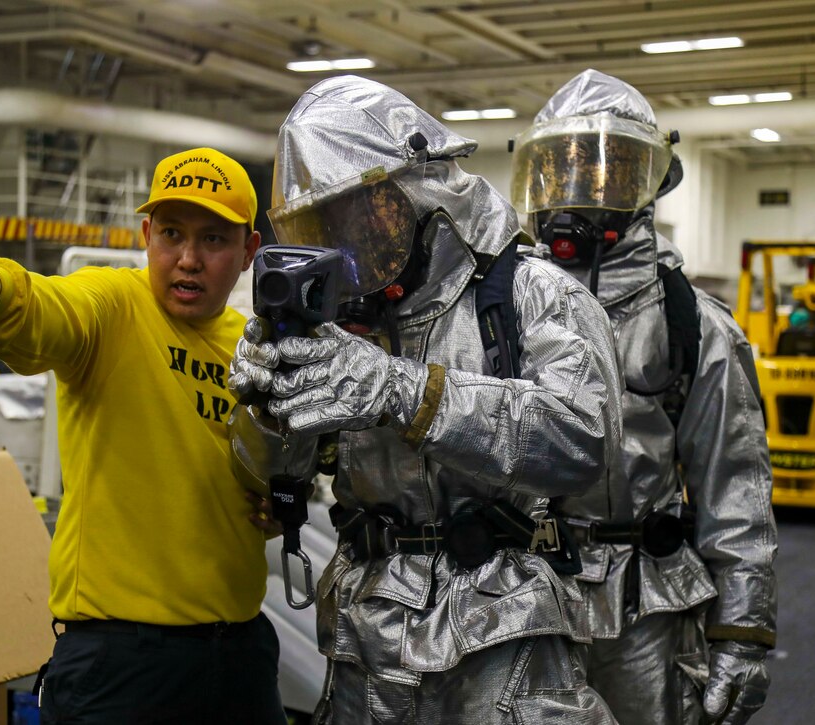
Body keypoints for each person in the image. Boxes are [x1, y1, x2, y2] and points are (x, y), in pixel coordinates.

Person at [230, 75, 623, 723]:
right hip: (367, 635)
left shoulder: (532, 296)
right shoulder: (336, 320)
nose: (337, 239)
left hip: (502, 636)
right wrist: (267, 407)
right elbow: (266, 483)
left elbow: (584, 442)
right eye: (319, 223)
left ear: (406, 193)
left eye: (351, 213)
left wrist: (407, 390)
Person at [0, 147, 288, 725]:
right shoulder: (114, 309)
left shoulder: (255, 350)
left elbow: (283, 455)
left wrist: (284, 495)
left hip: (239, 654)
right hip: (120, 663)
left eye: (213, 239)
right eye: (171, 234)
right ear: (145, 235)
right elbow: (47, 305)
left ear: (248, 253)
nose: (187, 259)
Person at [509, 69, 777, 725]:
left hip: (642, 609)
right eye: (560, 169)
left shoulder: (693, 323)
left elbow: (734, 486)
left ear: (647, 183)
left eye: (604, 169)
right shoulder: (501, 308)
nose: (576, 190)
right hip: (515, 595)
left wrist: (743, 634)